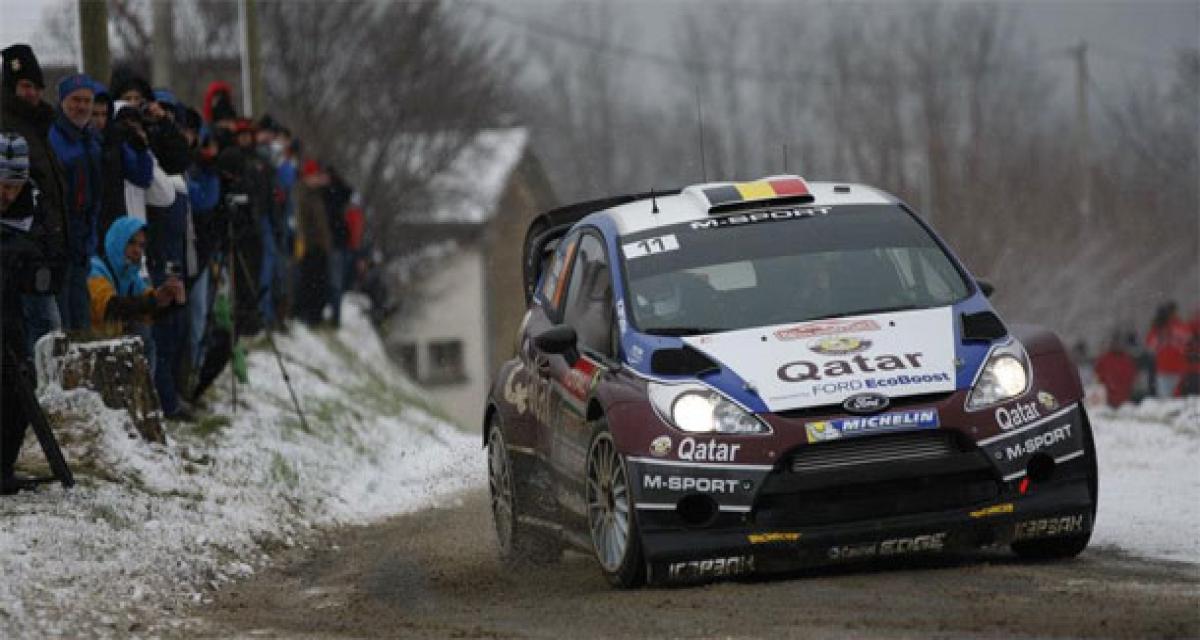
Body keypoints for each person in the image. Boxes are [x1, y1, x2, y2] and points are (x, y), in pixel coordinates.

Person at [1, 44, 66, 350]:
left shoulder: (40, 125)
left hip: (40, 247)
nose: (32, 94)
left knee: (48, 334)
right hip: (17, 250)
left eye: (36, 87)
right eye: (25, 86)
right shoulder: (8, 124)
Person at [0, 130, 47, 494]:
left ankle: (4, 466)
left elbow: (48, 253)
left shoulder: (31, 208)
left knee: (19, 386)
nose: (7, 194)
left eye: (14, 186)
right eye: (3, 185)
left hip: (12, 310)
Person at [87, 216, 184, 379]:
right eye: (131, 243)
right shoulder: (94, 269)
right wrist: (154, 300)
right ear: (117, 241)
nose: (137, 250)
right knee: (144, 341)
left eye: (141, 245)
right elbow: (110, 308)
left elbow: (148, 311)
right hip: (90, 347)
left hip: (110, 347)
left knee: (147, 340)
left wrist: (171, 301)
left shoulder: (130, 275)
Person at [48, 73, 101, 331]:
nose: (81, 106)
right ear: (62, 102)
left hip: (83, 241)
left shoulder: (91, 140)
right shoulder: (53, 138)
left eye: (87, 101)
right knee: (63, 320)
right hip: (61, 241)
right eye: (75, 100)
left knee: (81, 316)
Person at [293, 159, 331, 326]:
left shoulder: (317, 195)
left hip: (320, 246)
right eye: (314, 175)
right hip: (310, 246)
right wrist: (303, 241)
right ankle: (307, 314)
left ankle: (316, 314)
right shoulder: (303, 195)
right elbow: (302, 221)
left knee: (319, 282)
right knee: (309, 282)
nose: (317, 178)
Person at [1146, 302, 1189, 398]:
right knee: (1165, 399)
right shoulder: (1159, 327)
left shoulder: (1179, 325)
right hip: (1163, 369)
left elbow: (1186, 341)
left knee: (1177, 399)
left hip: (1178, 369)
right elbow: (1150, 345)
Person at [1093, 332, 1137, 408]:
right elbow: (1097, 375)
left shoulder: (1127, 360)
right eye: (1115, 343)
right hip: (1108, 396)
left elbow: (1133, 376)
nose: (1117, 346)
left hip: (1124, 396)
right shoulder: (1104, 358)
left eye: (1119, 344)